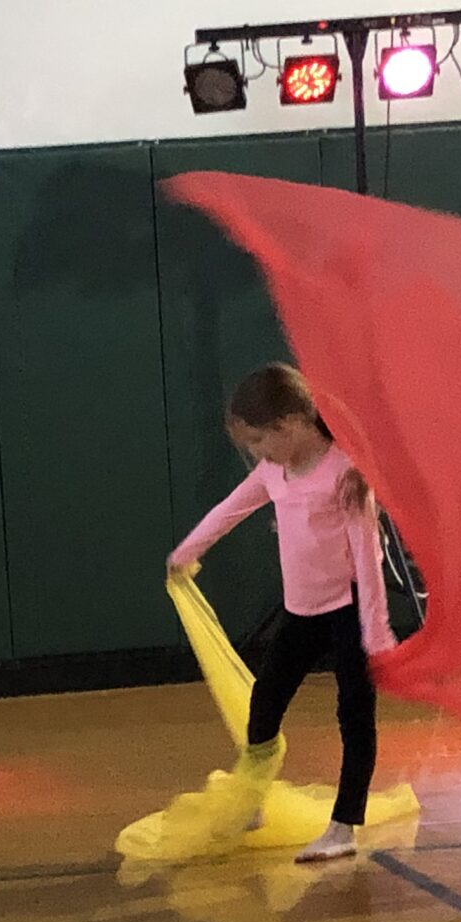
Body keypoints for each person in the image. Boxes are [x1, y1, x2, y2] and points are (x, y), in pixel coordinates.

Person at [168, 364, 397, 862]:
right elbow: (229, 510)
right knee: (266, 700)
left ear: (291, 424)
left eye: (258, 441)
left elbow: (367, 559)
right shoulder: (273, 472)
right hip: (302, 611)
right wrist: (186, 553)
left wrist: (376, 632)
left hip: (348, 610)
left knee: (355, 716)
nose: (256, 454)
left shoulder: (345, 474)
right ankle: (254, 799)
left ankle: (343, 826)